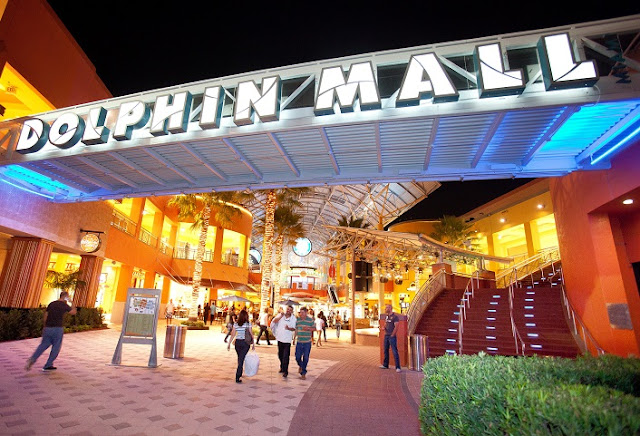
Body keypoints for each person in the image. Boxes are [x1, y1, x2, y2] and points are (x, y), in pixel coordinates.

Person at [25, 291, 77, 371]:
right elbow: (73, 312)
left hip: (48, 327)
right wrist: (72, 302)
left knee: (43, 345)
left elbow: (46, 315)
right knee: (56, 347)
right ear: (65, 297)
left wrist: (45, 326)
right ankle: (48, 364)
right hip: (57, 328)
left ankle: (32, 359)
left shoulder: (51, 304)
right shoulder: (64, 305)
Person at [226, 309, 254, 383]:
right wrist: (253, 344)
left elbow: (233, 334)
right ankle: (237, 376)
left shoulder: (236, 324)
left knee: (240, 358)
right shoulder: (248, 324)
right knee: (241, 359)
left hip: (238, 343)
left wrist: (229, 343)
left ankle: (240, 372)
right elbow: (251, 334)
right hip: (245, 343)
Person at [270, 305, 296, 378]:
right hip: (280, 338)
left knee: (286, 356)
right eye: (287, 309)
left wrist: (289, 328)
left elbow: (294, 328)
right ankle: (282, 366)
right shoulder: (281, 315)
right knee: (280, 354)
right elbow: (274, 321)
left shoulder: (293, 318)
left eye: (290, 310)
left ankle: (285, 370)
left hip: (287, 340)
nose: (288, 311)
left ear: (292, 311)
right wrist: (280, 316)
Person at [380, 304, 401, 373]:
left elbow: (396, 326)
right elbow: (386, 324)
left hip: (391, 336)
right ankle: (385, 365)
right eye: (386, 307)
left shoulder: (395, 317)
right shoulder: (387, 316)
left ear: (390, 308)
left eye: (387, 307)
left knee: (394, 351)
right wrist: (384, 327)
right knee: (385, 350)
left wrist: (392, 334)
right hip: (386, 335)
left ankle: (398, 367)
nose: (386, 309)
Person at [295, 307, 314, 380]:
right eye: (300, 312)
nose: (301, 314)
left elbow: (315, 328)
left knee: (306, 357)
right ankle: (301, 366)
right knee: (297, 357)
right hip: (299, 341)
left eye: (302, 312)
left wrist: (308, 328)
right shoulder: (298, 320)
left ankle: (303, 373)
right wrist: (294, 338)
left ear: (306, 313)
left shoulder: (310, 320)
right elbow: (296, 329)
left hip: (307, 342)